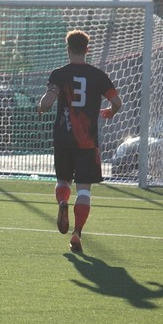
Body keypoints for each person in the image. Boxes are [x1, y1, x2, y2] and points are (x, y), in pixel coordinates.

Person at [37, 30, 122, 252]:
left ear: (68, 49)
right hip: (88, 142)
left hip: (63, 138)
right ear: (87, 50)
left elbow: (47, 101)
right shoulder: (98, 75)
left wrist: (41, 107)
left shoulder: (59, 74)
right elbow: (117, 101)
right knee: (84, 189)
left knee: (63, 181)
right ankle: (76, 234)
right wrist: (111, 111)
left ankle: (63, 202)